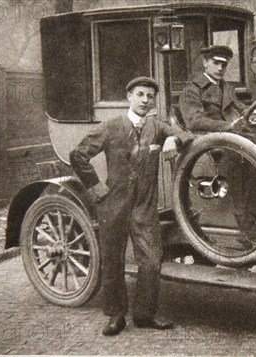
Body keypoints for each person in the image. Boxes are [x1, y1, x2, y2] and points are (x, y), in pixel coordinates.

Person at [70, 76, 195, 336]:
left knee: (151, 261)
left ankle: (144, 315)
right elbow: (78, 155)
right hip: (113, 206)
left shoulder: (157, 127)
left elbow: (186, 134)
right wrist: (96, 187)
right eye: (140, 95)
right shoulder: (111, 126)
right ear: (129, 97)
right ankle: (116, 316)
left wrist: (174, 140)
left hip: (144, 208)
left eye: (150, 96)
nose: (145, 100)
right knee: (113, 262)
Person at [179, 45, 256, 191]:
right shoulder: (192, 90)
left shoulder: (225, 86)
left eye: (224, 64)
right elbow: (194, 121)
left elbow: (240, 107)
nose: (220, 68)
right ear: (205, 63)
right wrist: (228, 126)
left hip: (233, 135)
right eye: (216, 63)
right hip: (213, 139)